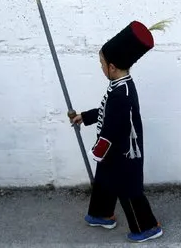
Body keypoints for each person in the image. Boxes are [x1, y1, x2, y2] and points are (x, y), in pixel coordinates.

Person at [69, 20, 170, 243]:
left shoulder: (121, 93)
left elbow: (112, 129)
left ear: (112, 67)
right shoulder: (120, 86)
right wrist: (85, 117)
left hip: (123, 153)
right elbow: (106, 111)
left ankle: (146, 227)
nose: (101, 67)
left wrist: (98, 151)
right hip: (114, 151)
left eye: (102, 63)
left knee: (128, 190)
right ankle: (101, 214)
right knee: (104, 180)